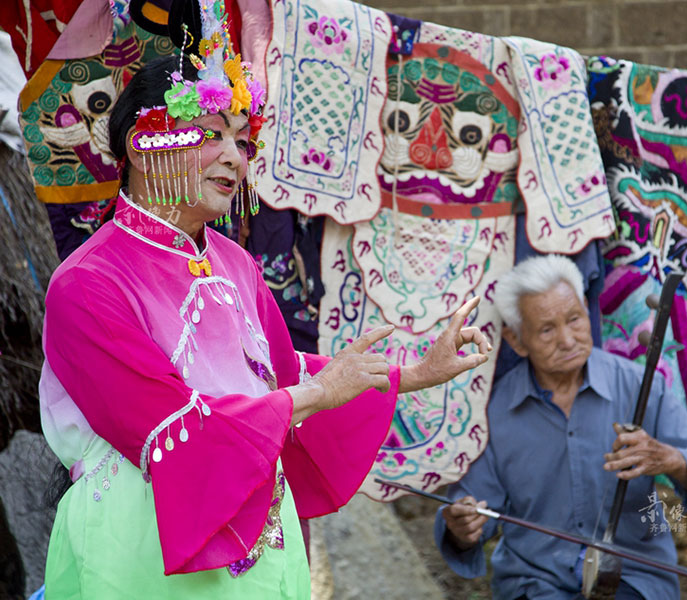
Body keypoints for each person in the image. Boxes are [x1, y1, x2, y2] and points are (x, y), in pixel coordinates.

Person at [38, 7, 490, 597]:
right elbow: (168, 428)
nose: (236, 156)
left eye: (243, 140)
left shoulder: (235, 264)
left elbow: (283, 373)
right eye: (212, 133)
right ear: (145, 145)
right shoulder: (88, 283)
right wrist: (318, 394)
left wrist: (412, 375)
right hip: (144, 540)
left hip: (260, 526)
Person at [433, 254, 687, 600]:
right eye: (547, 329)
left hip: (634, 578)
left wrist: (670, 460)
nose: (567, 339)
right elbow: (470, 512)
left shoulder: (640, 385)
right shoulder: (492, 411)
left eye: (575, 319)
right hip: (535, 582)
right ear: (517, 341)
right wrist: (463, 526)